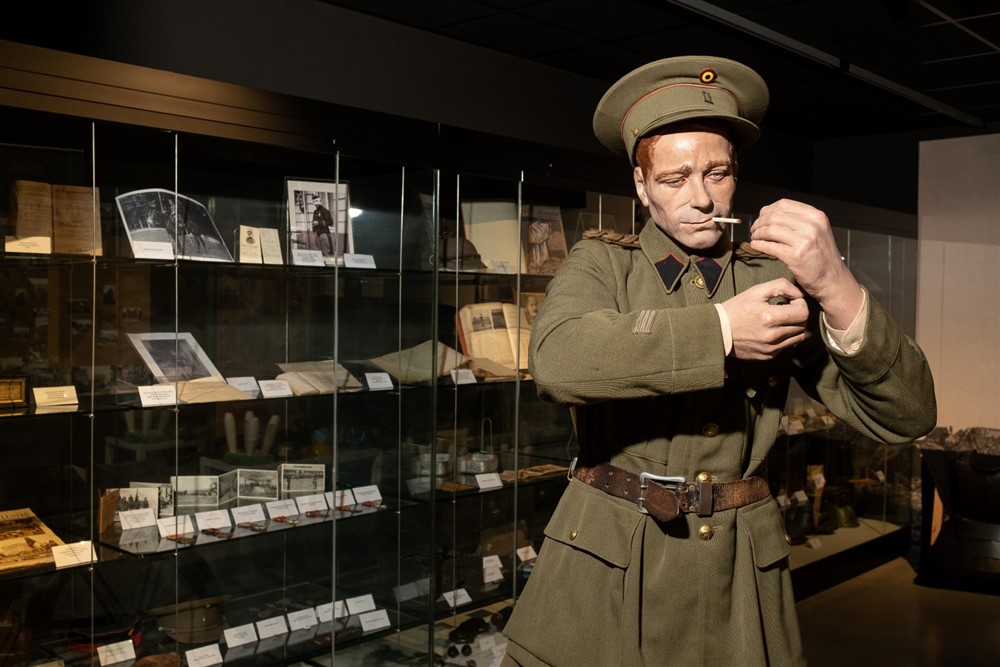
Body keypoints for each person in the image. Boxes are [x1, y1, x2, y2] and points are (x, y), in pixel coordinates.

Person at [500, 55, 936, 667]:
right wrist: (723, 329)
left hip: (736, 572)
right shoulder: (603, 265)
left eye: (718, 173)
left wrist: (835, 283)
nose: (701, 199)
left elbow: (907, 416)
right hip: (611, 568)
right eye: (675, 179)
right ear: (641, 185)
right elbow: (558, 359)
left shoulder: (774, 277)